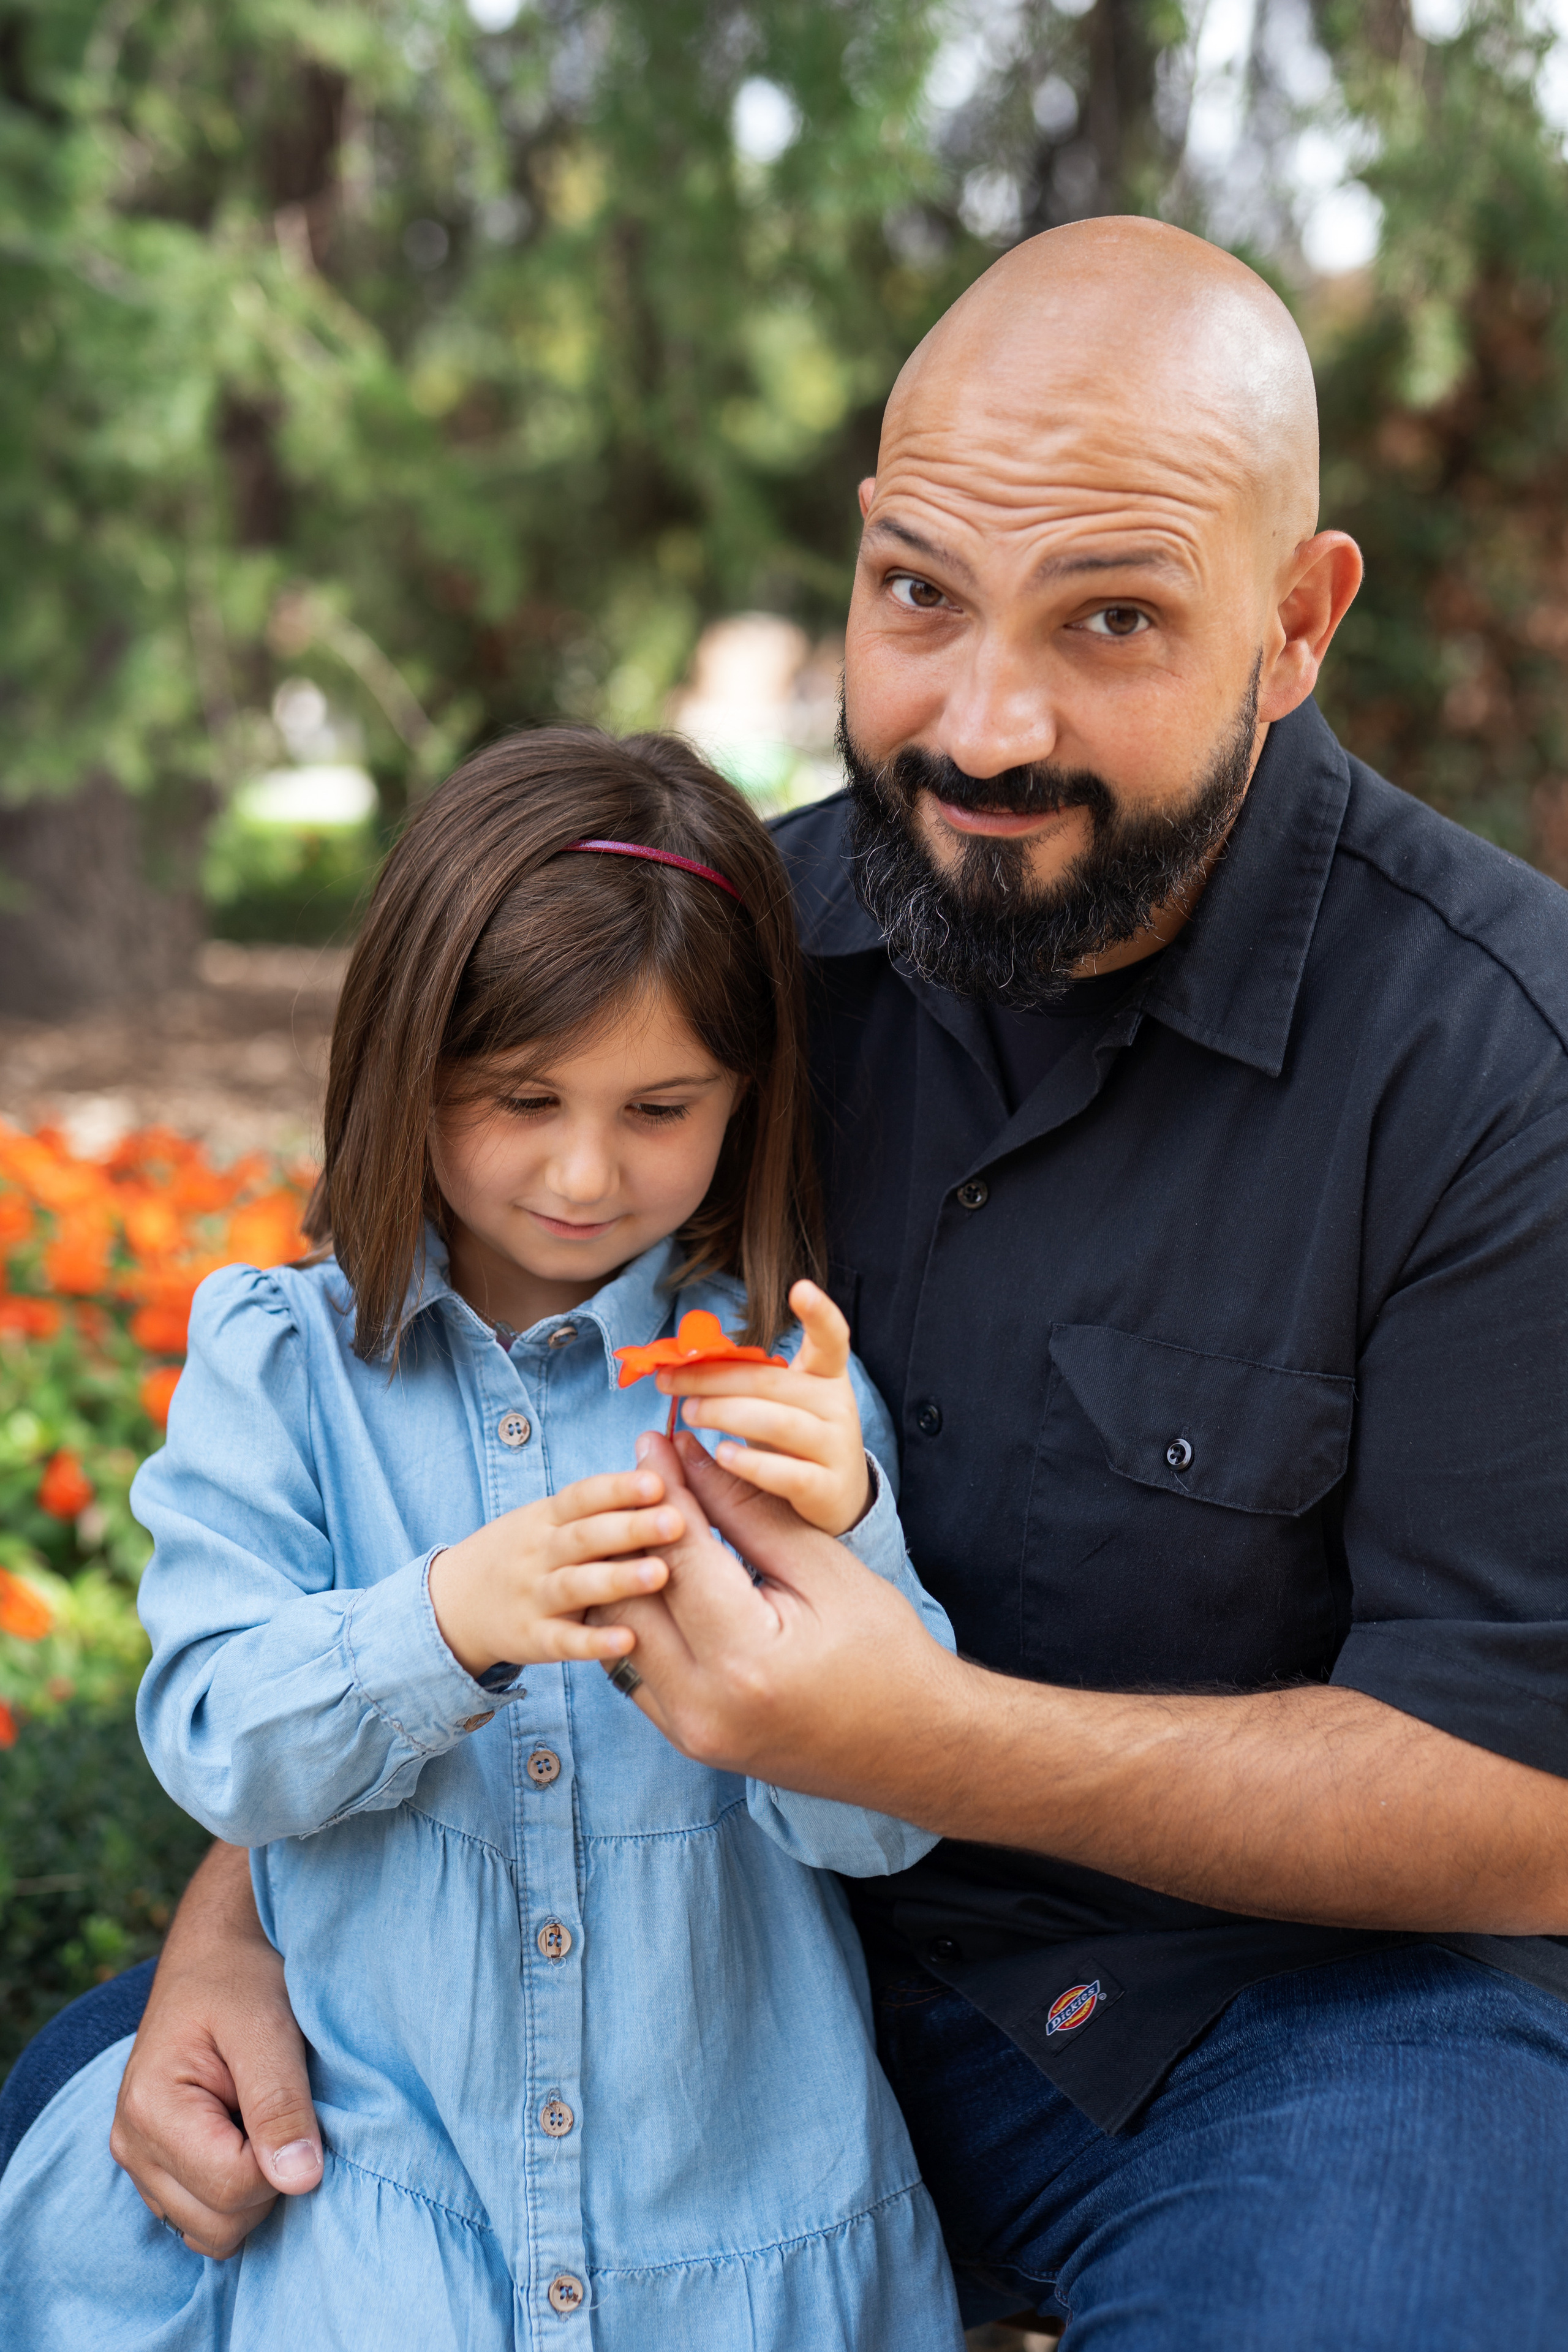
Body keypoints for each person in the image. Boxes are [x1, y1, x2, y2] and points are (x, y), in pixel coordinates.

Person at [8, 213, 1568, 2348]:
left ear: (1297, 623)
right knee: (100, 2145)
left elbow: (1528, 1804)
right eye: (921, 592)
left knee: (1363, 2305)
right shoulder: (707, 964)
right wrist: (244, 1916)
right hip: (682, 1933)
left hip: (1269, 2010)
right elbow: (393, 1441)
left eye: (1113, 617)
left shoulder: (1495, 1064)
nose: (984, 725)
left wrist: (925, 1741)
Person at [0, 730, 964, 2350]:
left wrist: (846, 1536)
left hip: (732, 2225)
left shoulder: (776, 1388)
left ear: (746, 1098)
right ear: (409, 1066)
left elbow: (878, 1835)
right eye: (524, 1099)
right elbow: (221, 1739)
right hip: (384, 2220)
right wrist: (444, 1621)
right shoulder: (284, 1366)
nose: (586, 1170)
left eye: (661, 1108)